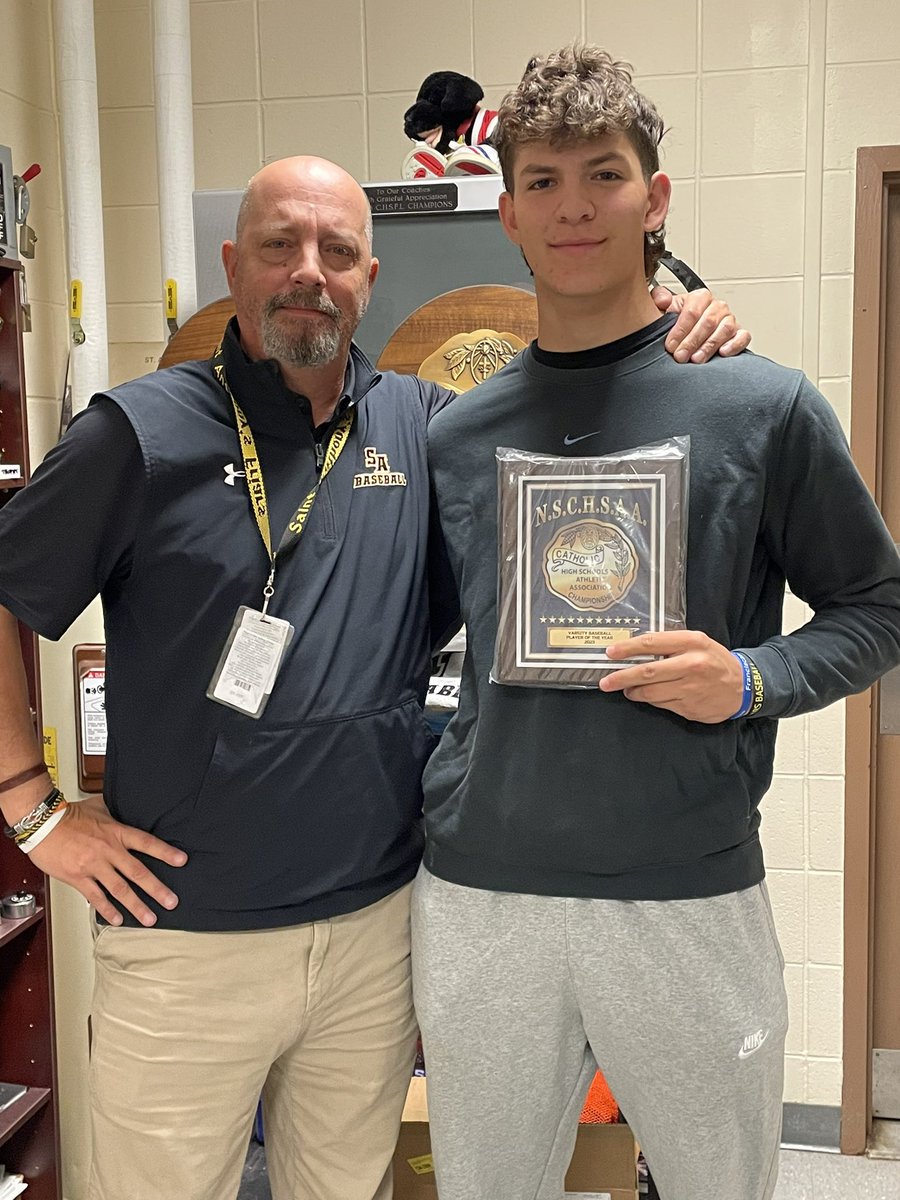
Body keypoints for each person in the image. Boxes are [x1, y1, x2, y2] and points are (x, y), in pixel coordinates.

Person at [0, 153, 745, 1200]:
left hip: (373, 935)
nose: (308, 271)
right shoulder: (139, 434)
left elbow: (569, 473)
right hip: (185, 943)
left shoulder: (422, 426)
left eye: (336, 251)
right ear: (233, 264)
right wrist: (30, 807)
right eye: (279, 245)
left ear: (369, 277)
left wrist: (668, 324)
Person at [416, 45, 900, 1200]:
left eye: (604, 173)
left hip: (685, 888)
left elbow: (876, 608)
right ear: (509, 214)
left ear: (656, 198)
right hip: (484, 895)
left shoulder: (760, 404)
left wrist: (748, 678)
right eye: (542, 180)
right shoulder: (455, 435)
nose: (574, 205)